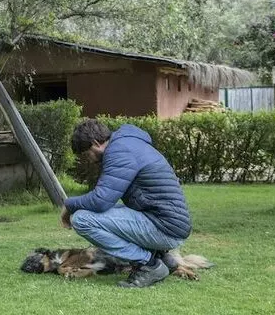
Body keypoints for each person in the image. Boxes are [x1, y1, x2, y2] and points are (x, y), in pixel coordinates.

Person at [59, 119, 192, 288]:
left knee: (82, 219)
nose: (89, 160)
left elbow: (101, 200)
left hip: (166, 228)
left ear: (95, 143)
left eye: (87, 154)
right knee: (104, 214)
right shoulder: (129, 144)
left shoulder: (119, 151)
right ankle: (162, 257)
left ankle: (149, 264)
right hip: (168, 223)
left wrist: (69, 205)